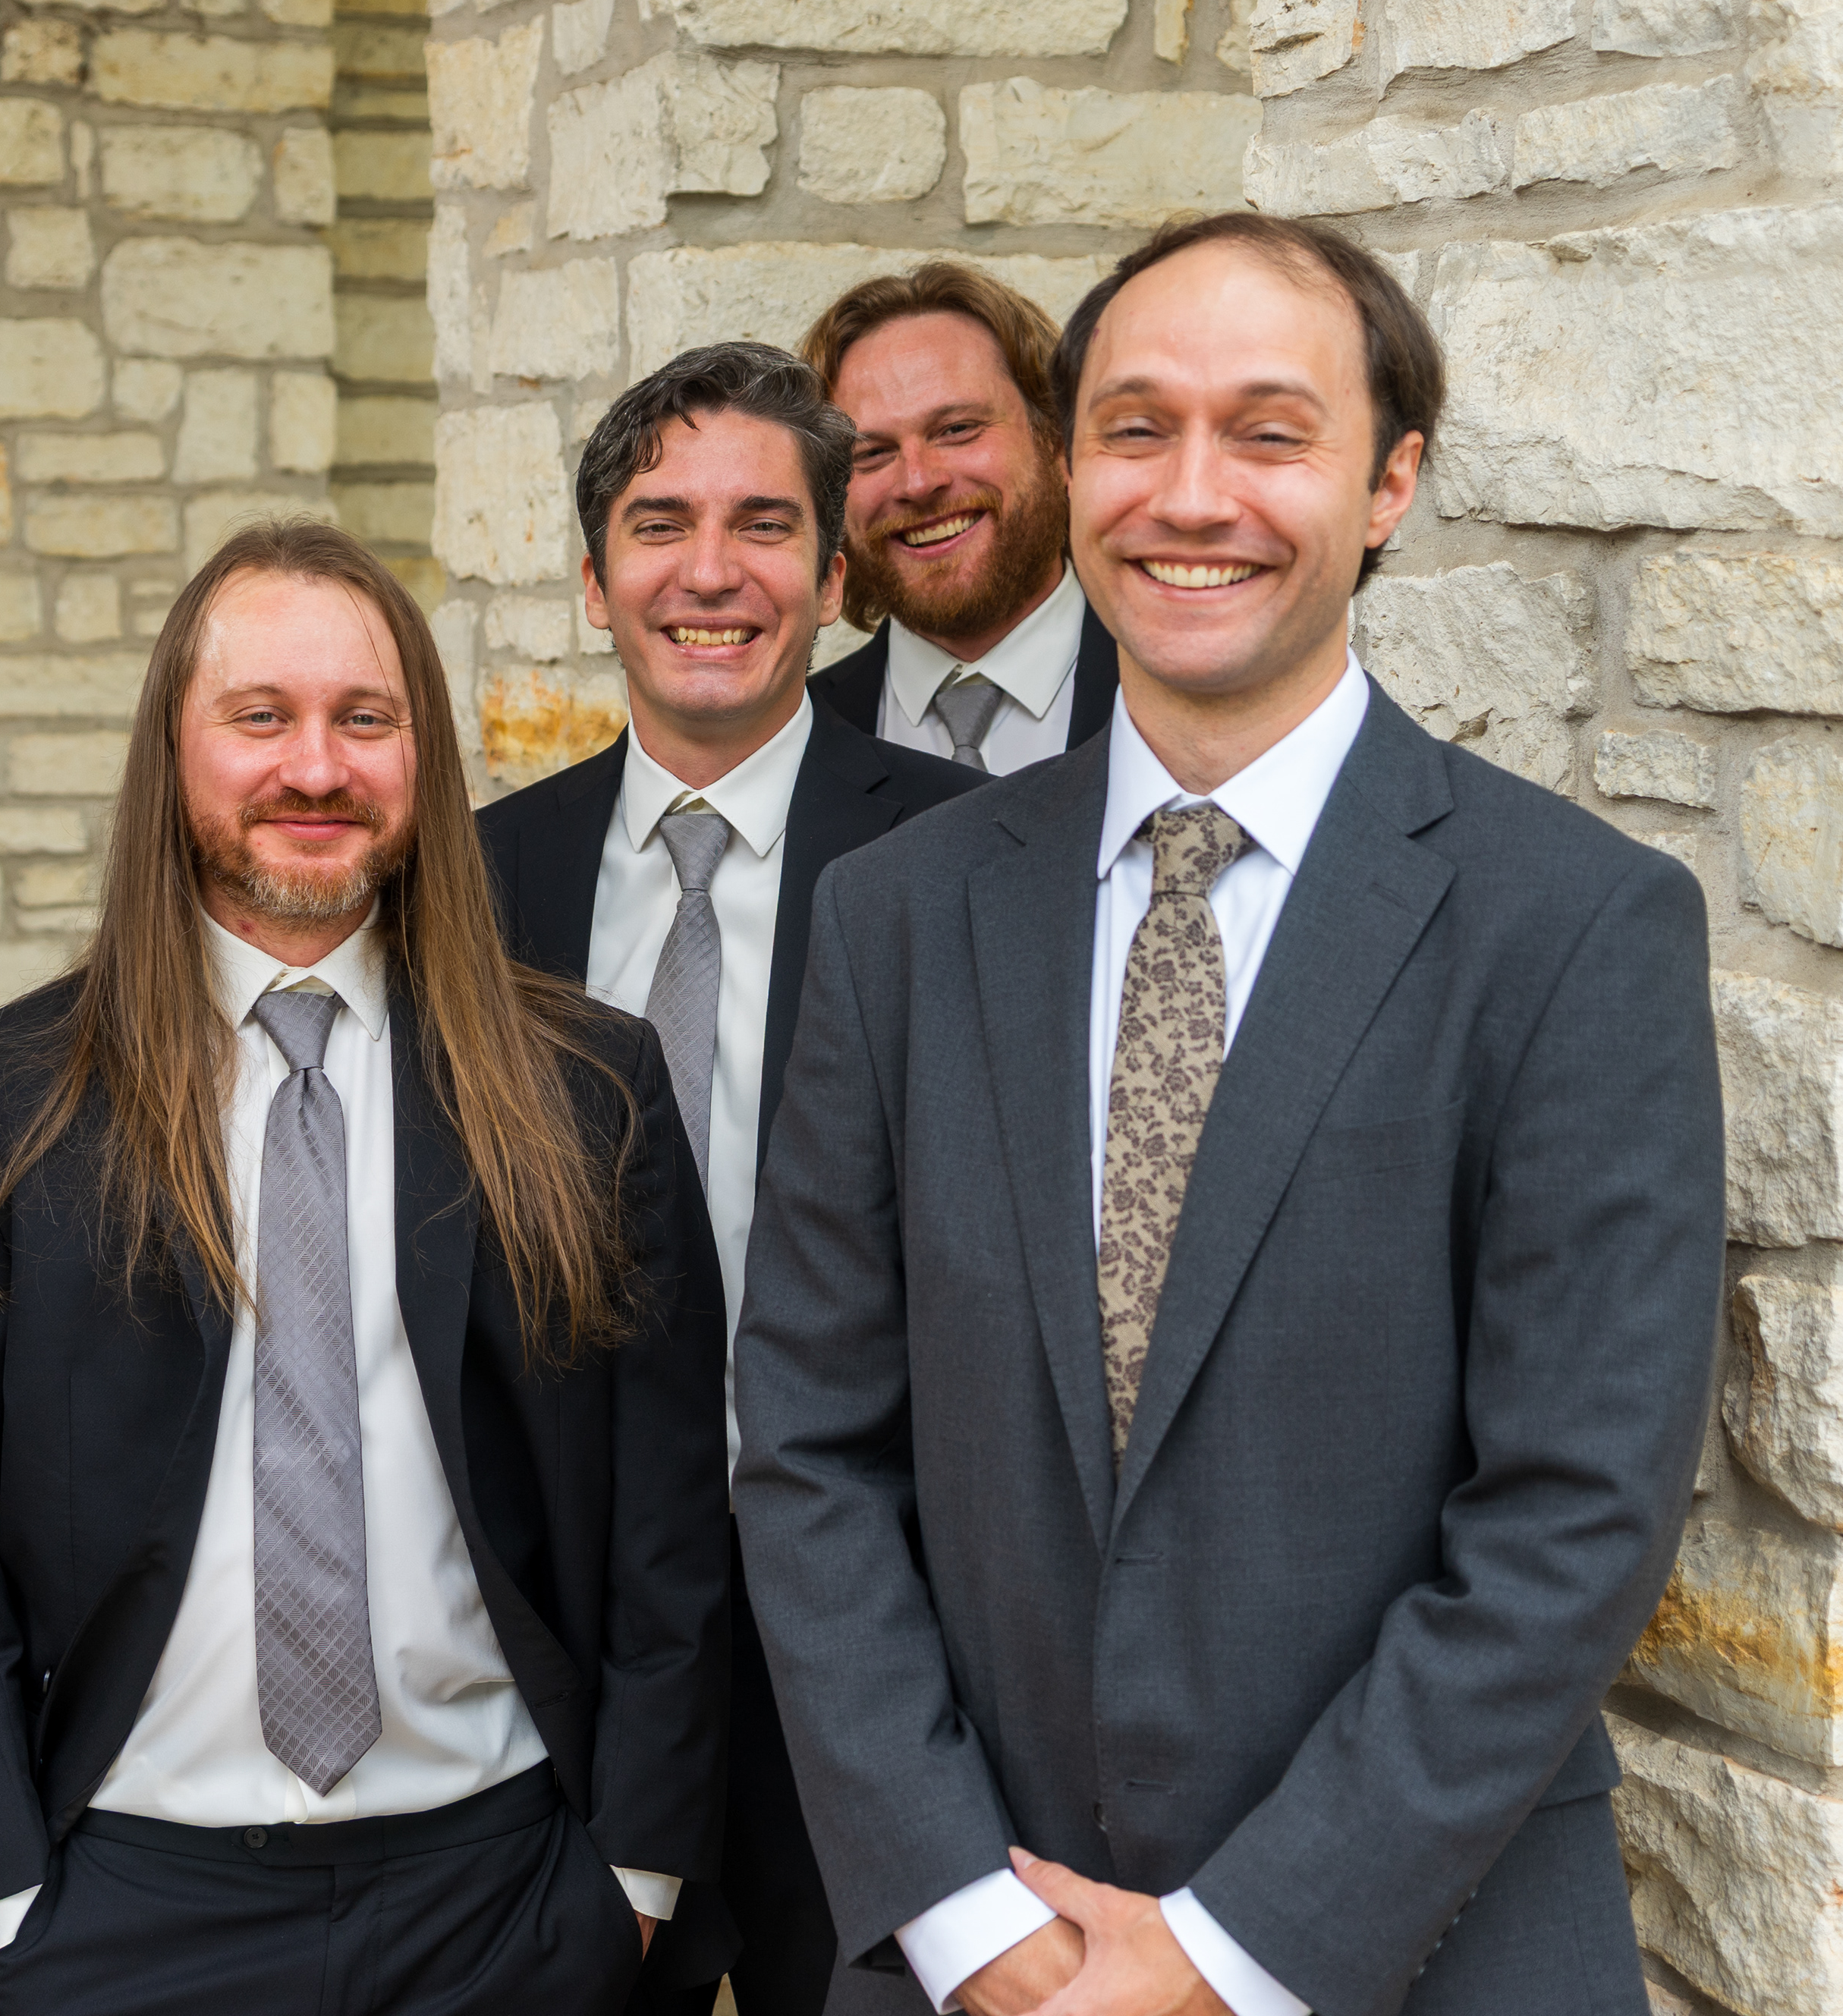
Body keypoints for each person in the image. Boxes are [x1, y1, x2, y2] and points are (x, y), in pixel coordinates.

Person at [737, 213, 1723, 2016]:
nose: (1191, 496)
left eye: (1268, 433)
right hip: (987, 1954)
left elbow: (1574, 1511)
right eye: (1135, 428)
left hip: (1421, 1949)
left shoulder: (1575, 927)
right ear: (1069, 464)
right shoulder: (897, 915)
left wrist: (1226, 1949)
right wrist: (962, 1915)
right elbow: (809, 1445)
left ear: (1388, 481)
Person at [0, 518, 730, 2016]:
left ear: (424, 756)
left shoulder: (589, 1089)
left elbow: (669, 1523)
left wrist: (632, 1885)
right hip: (124, 1914)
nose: (315, 767)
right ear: (172, 751)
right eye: (259, 716)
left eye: (365, 718)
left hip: (504, 1904)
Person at [477, 341, 983, 2016]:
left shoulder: (977, 859)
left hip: (873, 1628)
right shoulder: (478, 881)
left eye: (765, 525)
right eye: (659, 523)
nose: (712, 571)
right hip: (571, 1640)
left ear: (836, 580)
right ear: (594, 577)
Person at [800, 263, 1118, 774]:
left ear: (1058, 441)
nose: (918, 482)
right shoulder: (794, 740)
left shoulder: (1186, 687)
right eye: (873, 453)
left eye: (957, 429)